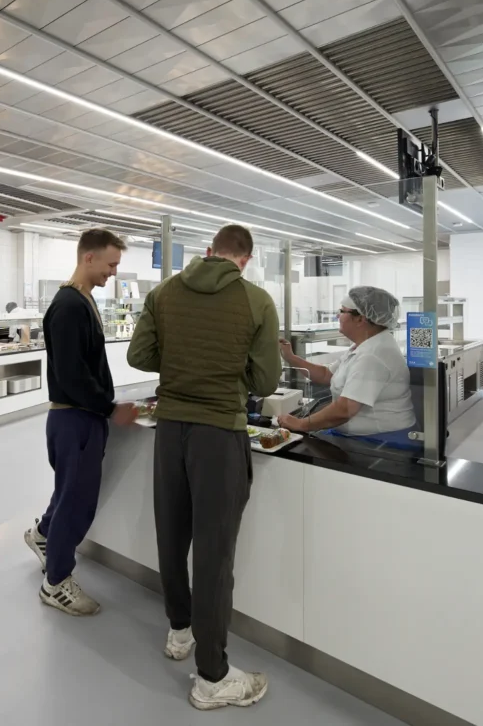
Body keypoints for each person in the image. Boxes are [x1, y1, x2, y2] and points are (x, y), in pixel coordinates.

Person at [127, 225, 281, 711]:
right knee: (214, 556)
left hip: (170, 429)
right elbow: (266, 378)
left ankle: (179, 632)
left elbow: (139, 355)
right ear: (246, 259)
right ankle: (213, 677)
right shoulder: (256, 301)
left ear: (209, 251)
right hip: (219, 431)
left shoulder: (164, 292)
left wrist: (182, 363)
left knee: (172, 535)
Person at [24, 229, 138, 616]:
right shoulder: (70, 305)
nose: (113, 272)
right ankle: (55, 582)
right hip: (75, 419)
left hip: (80, 417)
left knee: (67, 492)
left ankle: (42, 535)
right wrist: (109, 408)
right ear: (88, 258)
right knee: (77, 502)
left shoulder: (83, 300)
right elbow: (73, 376)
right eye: (110, 264)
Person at [277, 286, 416, 441]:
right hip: (360, 434)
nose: (338, 316)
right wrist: (291, 357)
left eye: (342, 311)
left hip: (379, 441)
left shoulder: (373, 356)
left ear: (360, 318)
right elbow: (326, 375)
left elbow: (345, 409)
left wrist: (301, 424)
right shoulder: (365, 345)